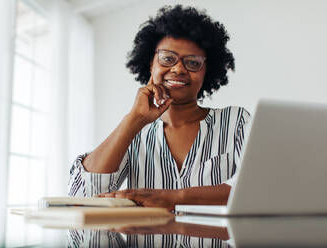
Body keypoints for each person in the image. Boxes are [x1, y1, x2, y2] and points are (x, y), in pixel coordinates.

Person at [68, 5, 251, 211]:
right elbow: (81, 197)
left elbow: (253, 190)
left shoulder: (236, 121)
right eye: (167, 58)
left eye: (193, 62)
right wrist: (133, 120)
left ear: (206, 72)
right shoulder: (135, 133)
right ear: (150, 64)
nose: (178, 68)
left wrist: (173, 197)